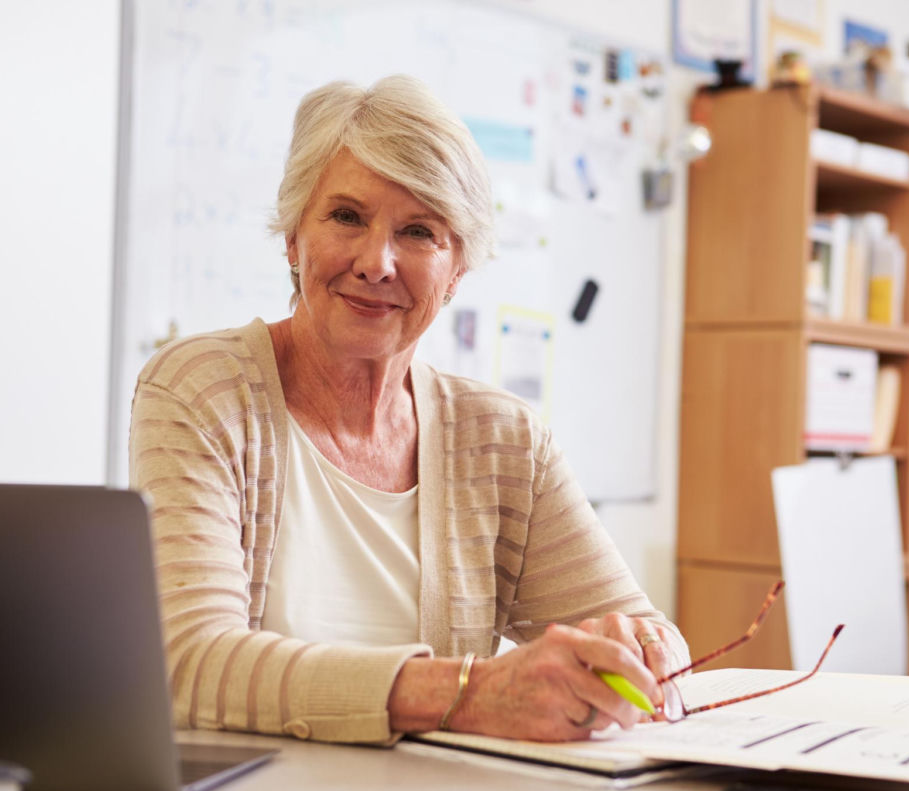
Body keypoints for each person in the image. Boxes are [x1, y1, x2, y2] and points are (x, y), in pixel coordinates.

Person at [129, 74, 690, 746]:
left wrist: (639, 650)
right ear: (292, 237)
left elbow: (654, 637)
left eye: (419, 231)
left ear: (456, 273)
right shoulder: (201, 390)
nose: (377, 262)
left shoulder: (505, 441)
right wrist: (469, 693)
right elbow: (191, 664)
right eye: (346, 217)